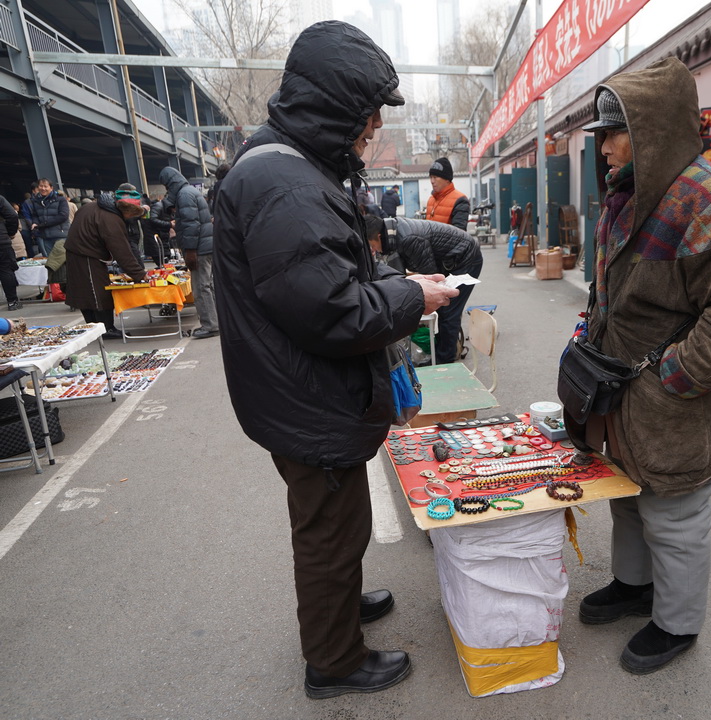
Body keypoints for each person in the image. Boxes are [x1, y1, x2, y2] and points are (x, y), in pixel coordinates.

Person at [211, 20, 457, 700]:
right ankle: (334, 660)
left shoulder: (292, 166)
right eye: (369, 110)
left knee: (338, 520)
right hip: (307, 396)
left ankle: (341, 607)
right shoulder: (283, 184)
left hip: (303, 389)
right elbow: (332, 312)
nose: (375, 124)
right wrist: (413, 295)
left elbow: (328, 263)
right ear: (335, 105)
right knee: (326, 532)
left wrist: (393, 263)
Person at [566, 58, 711, 675]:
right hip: (620, 392)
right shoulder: (628, 194)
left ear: (650, 130)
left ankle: (677, 622)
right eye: (600, 134)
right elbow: (610, 288)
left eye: (613, 132)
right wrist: (588, 334)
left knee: (675, 514)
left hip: (674, 401)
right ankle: (635, 587)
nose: (603, 147)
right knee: (629, 496)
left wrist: (674, 378)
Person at [381, 216, 482, 363]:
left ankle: (446, 358)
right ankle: (445, 348)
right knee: (444, 308)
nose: (373, 250)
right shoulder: (395, 231)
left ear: (378, 236)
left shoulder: (408, 238)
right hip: (452, 258)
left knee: (448, 308)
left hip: (466, 257)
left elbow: (430, 273)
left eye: (372, 245)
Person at [63, 187, 148, 339]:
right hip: (86, 254)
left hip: (77, 251)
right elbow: (122, 251)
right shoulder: (111, 218)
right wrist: (139, 274)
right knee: (99, 292)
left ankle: (92, 327)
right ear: (127, 210)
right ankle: (105, 328)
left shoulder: (95, 206)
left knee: (85, 293)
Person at [159, 166, 216, 338]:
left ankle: (210, 325)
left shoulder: (184, 195)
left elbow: (191, 225)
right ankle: (215, 321)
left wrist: (190, 251)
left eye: (167, 187)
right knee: (208, 286)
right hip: (206, 246)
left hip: (199, 248)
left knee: (200, 287)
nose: (167, 190)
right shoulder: (190, 192)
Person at [28, 178, 70, 257]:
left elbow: (63, 216)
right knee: (50, 261)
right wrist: (35, 222)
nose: (43, 188)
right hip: (45, 236)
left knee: (63, 259)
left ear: (51, 188)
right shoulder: (36, 201)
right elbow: (35, 215)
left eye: (45, 186)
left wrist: (43, 224)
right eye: (41, 186)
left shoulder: (60, 199)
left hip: (60, 235)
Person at [425, 157, 469, 230]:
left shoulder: (460, 201)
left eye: (435, 177)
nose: (432, 181)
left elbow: (459, 235)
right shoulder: (431, 200)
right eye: (431, 177)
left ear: (447, 179)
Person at [0, 195, 21, 310]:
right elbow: (12, 215)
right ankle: (12, 301)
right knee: (6, 269)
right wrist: (10, 232)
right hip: (2, 240)